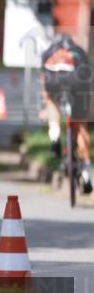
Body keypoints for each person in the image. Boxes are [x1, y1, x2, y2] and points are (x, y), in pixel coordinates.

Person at [40, 33, 92, 193]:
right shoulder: (79, 52)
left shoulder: (49, 52)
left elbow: (44, 81)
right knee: (81, 125)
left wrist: (45, 105)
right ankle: (87, 174)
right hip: (78, 82)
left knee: (52, 103)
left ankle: (54, 137)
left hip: (54, 80)